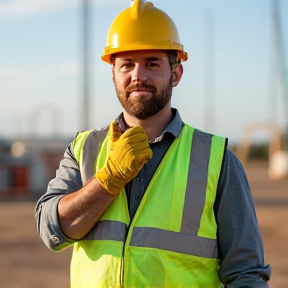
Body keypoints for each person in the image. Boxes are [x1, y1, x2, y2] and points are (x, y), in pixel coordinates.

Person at [35, 0, 271, 287]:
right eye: (127, 65)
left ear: (175, 73)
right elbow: (52, 231)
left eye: (151, 63)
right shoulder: (84, 149)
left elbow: (245, 272)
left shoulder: (217, 160)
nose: (138, 76)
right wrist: (108, 180)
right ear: (113, 74)